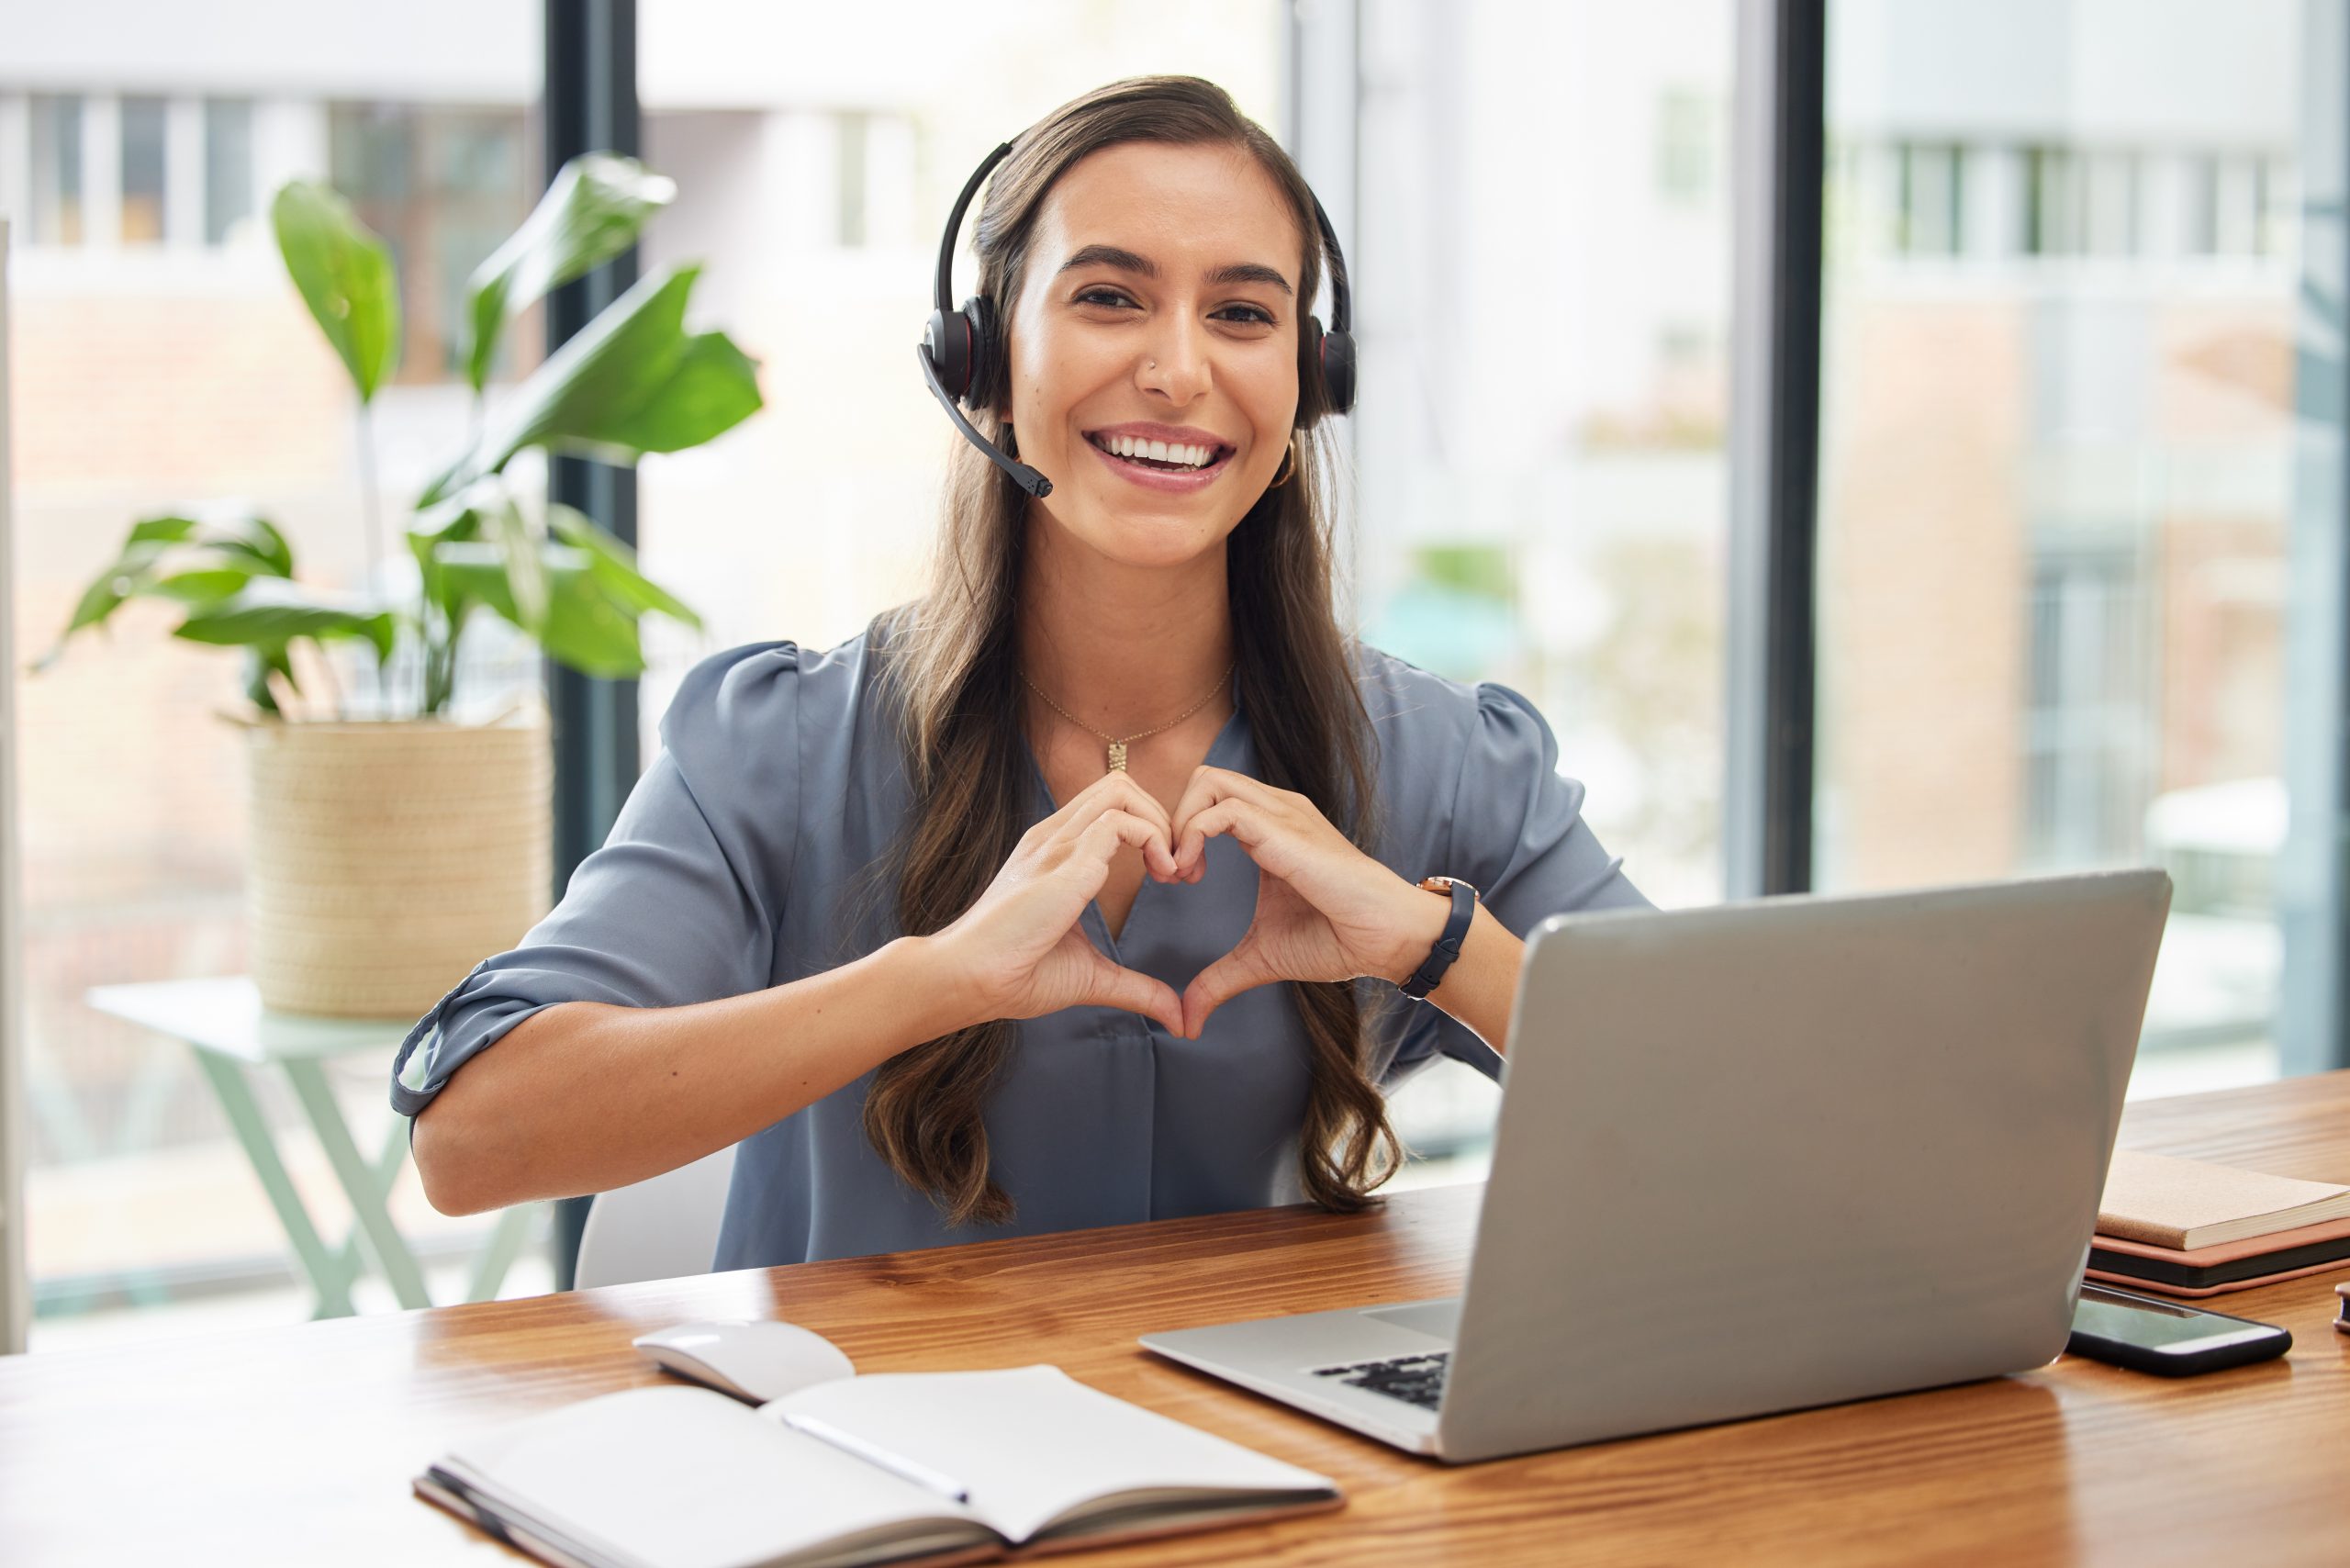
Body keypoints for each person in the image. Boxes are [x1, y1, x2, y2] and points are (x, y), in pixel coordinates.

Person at [397, 74, 1648, 1270]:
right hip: (855, 1460)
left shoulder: (1435, 756)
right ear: (982, 359)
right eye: (1110, 297)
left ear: (1310, 384)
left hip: (1280, 1465)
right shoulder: (782, 744)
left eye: (1244, 313)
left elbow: (1751, 1112)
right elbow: (469, 1137)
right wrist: (934, 981)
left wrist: (1434, 946)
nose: (1179, 369)